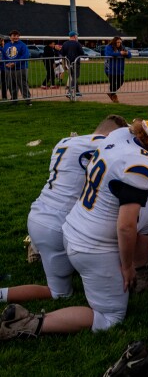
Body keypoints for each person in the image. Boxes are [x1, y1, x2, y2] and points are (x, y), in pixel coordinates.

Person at [0, 111, 148, 340]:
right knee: (110, 316)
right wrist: (127, 266)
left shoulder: (120, 135)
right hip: (92, 246)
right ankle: (30, 323)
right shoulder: (142, 165)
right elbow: (125, 226)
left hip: (74, 226)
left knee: (145, 216)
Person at [0, 115, 127, 305]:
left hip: (37, 214)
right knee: (59, 293)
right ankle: (3, 293)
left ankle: (37, 247)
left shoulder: (66, 141)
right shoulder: (109, 147)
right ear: (115, 134)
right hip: (59, 228)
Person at [2, 29, 31, 105]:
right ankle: (14, 100)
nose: (16, 37)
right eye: (14, 36)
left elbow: (25, 56)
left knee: (23, 84)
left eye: (17, 36)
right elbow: (4, 56)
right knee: (11, 85)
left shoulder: (22, 45)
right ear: (10, 36)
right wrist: (6, 63)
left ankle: (28, 100)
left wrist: (15, 63)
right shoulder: (6, 45)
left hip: (20, 68)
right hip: (9, 69)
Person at [103, 37, 130, 103]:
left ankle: (111, 94)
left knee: (120, 82)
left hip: (120, 69)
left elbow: (129, 55)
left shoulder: (122, 47)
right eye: (117, 42)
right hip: (110, 69)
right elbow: (109, 54)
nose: (119, 44)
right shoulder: (108, 47)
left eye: (120, 42)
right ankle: (114, 96)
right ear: (114, 42)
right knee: (112, 83)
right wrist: (120, 53)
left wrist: (127, 53)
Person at [60, 31, 85, 99]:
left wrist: (64, 63)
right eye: (76, 35)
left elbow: (62, 53)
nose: (77, 37)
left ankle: (77, 92)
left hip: (69, 63)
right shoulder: (77, 44)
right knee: (75, 77)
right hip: (76, 62)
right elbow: (82, 53)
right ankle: (69, 92)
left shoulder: (65, 43)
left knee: (74, 77)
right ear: (74, 36)